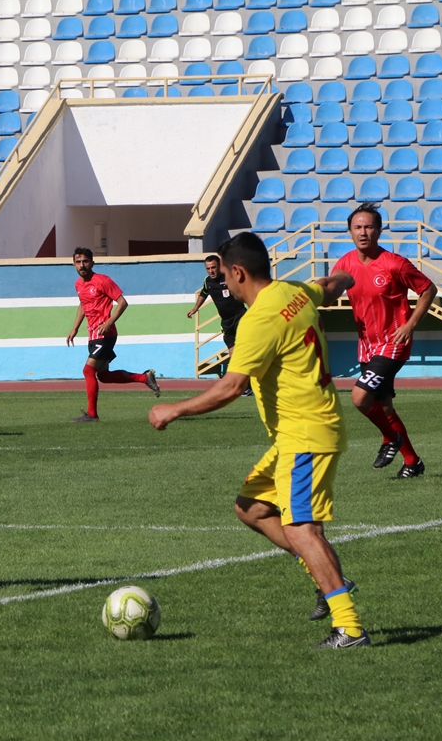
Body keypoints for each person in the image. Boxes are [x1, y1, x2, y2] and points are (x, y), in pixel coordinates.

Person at [149, 233, 369, 649]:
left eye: (224, 277)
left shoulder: (258, 320)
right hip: (297, 434)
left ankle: (349, 627)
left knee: (301, 529)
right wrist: (347, 276)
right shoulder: (293, 291)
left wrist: (173, 409)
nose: (224, 285)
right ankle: (327, 576)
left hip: (306, 434)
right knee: (250, 507)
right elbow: (329, 285)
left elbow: (231, 387)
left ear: (238, 272)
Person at [334, 202, 437, 478]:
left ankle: (391, 438)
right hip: (367, 347)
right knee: (384, 407)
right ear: (350, 232)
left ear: (379, 231)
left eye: (369, 227)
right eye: (357, 227)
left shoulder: (394, 263)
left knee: (360, 397)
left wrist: (410, 325)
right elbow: (330, 292)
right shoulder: (344, 264)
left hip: (393, 344)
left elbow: (428, 289)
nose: (363, 232)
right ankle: (413, 462)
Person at [66, 247, 159, 422]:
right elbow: (83, 304)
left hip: (105, 335)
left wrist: (108, 323)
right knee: (103, 376)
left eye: (85, 261)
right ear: (74, 265)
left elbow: (123, 302)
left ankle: (92, 415)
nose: (82, 265)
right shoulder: (78, 284)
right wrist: (75, 328)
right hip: (93, 335)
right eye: (78, 262)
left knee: (88, 370)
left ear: (92, 263)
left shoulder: (103, 280)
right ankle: (144, 378)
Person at [186, 254, 252, 396]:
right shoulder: (208, 281)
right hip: (226, 322)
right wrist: (195, 308)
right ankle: (247, 386)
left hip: (240, 317)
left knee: (244, 352)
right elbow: (204, 293)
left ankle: (249, 385)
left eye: (213, 267)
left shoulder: (230, 278)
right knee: (233, 355)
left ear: (220, 266)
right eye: (208, 268)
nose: (211, 271)